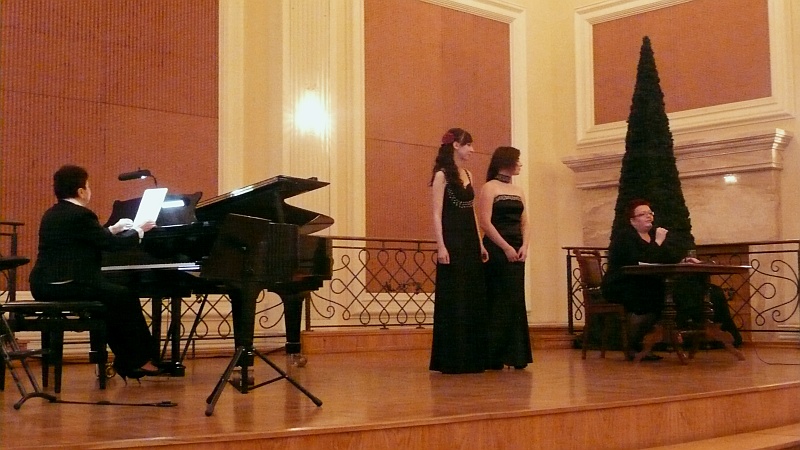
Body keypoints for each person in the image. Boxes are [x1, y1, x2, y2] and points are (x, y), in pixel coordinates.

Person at [29, 165, 161, 382]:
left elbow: (90, 237)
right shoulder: (81, 215)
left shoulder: (53, 213)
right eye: (88, 186)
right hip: (67, 283)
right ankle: (138, 359)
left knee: (113, 300)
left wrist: (113, 229)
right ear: (81, 191)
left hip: (43, 285)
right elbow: (111, 246)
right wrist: (139, 230)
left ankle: (128, 360)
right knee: (124, 295)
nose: (90, 190)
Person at [429, 128, 489, 374]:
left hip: (469, 242)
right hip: (452, 241)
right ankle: (452, 358)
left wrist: (480, 242)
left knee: (472, 295)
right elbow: (436, 213)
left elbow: (471, 212)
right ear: (456, 145)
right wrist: (441, 245)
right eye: (468, 145)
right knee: (455, 296)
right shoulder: (442, 175)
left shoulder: (469, 175)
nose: (472, 150)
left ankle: (472, 357)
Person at [601, 199, 685, 360]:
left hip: (645, 282)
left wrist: (684, 260)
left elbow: (667, 257)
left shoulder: (654, 234)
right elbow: (640, 261)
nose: (648, 216)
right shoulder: (625, 237)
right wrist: (658, 242)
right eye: (642, 214)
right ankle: (634, 346)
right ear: (632, 221)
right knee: (650, 295)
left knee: (674, 292)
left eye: (650, 213)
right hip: (621, 284)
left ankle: (651, 342)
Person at [478, 146, 532, 370]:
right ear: (505, 162)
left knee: (515, 300)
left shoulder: (519, 190)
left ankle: (516, 355)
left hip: (517, 249)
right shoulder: (489, 187)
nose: (520, 164)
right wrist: (506, 247)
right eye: (517, 160)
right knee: (500, 300)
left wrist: (524, 246)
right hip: (498, 250)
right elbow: (484, 222)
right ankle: (494, 355)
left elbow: (525, 222)